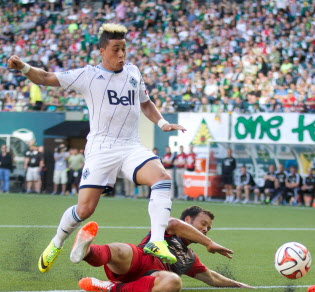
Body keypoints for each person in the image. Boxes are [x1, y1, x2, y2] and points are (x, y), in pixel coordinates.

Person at [8, 23, 186, 272]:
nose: (121, 54)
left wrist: (163, 122)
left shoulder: (134, 72)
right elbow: (46, 78)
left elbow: (145, 103)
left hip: (130, 146)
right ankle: (57, 242)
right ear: (102, 50)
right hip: (101, 149)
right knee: (85, 209)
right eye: (116, 49)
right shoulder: (88, 75)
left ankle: (156, 241)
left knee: (162, 178)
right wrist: (24, 68)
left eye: (124, 49)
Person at [71, 205, 252, 292]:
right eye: (203, 224)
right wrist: (209, 243)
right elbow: (173, 224)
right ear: (187, 220)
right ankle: (86, 252)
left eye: (208, 229)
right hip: (137, 259)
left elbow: (212, 278)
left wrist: (239, 285)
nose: (205, 230)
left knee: (173, 283)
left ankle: (110, 287)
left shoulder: (189, 258)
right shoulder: (166, 226)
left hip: (154, 277)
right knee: (120, 249)